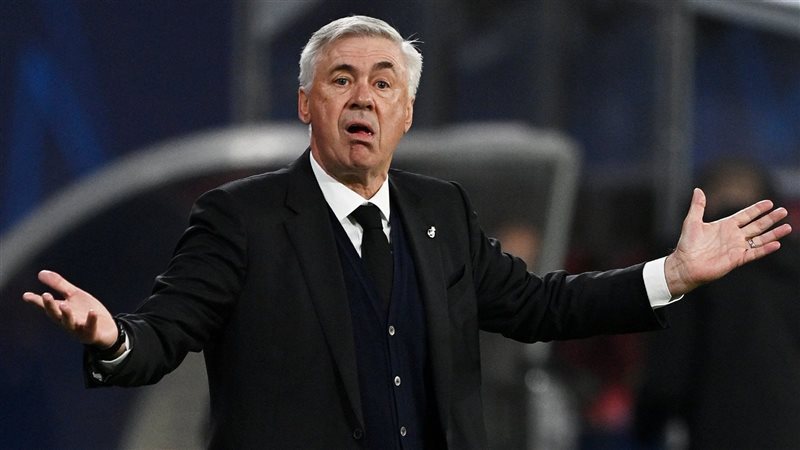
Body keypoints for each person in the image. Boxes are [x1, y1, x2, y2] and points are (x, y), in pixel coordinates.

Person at [22, 16, 792, 449]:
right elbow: (166, 332)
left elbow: (542, 306)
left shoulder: (442, 213)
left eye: (383, 82)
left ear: (407, 112)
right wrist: (112, 338)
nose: (364, 98)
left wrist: (672, 275)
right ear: (306, 105)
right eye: (342, 80)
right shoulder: (241, 217)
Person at [634, 157, 800, 449]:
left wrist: (647, 423)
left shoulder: (690, 271)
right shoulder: (793, 266)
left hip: (719, 429)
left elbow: (670, 369)